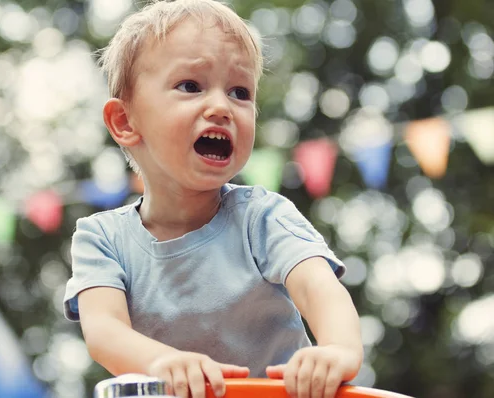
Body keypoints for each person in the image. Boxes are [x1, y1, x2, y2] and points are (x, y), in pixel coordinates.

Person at [64, 1, 363, 398]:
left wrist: (338, 350)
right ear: (125, 121)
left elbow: (318, 288)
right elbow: (104, 331)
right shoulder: (101, 238)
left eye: (240, 92)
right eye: (191, 86)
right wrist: (161, 362)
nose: (222, 107)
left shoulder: (262, 217)